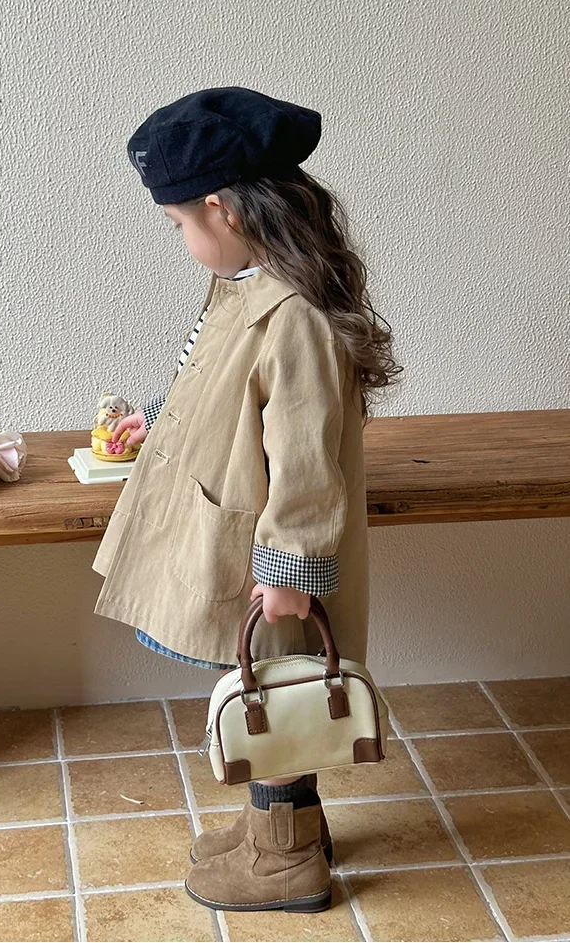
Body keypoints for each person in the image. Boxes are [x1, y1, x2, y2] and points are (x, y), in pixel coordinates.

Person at [92, 87, 402, 913]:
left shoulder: (292, 314)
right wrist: (156, 416)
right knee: (269, 685)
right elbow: (226, 388)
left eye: (178, 224)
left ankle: (284, 859)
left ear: (223, 210)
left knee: (274, 690)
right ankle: (287, 828)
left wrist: (289, 569)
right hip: (242, 532)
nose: (181, 240)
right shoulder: (246, 285)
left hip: (271, 555)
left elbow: (304, 461)